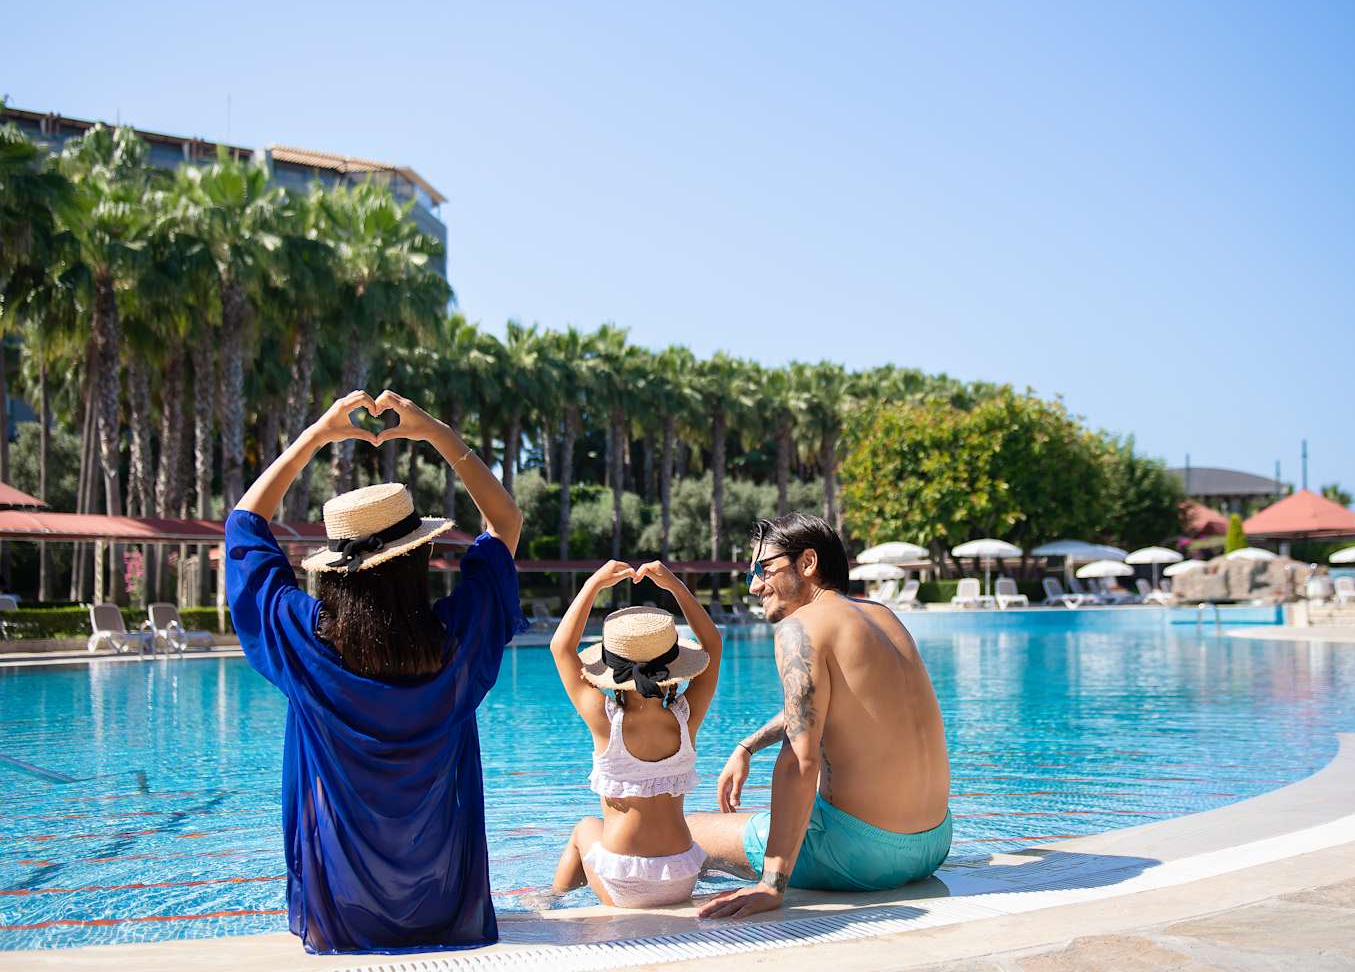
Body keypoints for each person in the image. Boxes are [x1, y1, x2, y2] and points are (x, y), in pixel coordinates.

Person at [225, 389, 523, 954]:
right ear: (421, 556)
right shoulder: (457, 639)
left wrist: (315, 436)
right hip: (444, 906)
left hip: (340, 912)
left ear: (335, 572)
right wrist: (437, 433)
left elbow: (244, 525)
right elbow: (505, 520)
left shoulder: (304, 642)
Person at [688, 513, 952, 919]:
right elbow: (822, 706)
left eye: (763, 569)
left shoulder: (800, 627)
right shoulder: (882, 616)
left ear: (807, 562)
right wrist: (748, 746)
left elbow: (800, 760)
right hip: (933, 843)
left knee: (682, 832)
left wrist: (771, 884)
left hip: (863, 855)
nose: (755, 586)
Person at [548, 559, 723, 907]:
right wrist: (674, 585)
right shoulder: (686, 718)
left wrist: (594, 584)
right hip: (681, 877)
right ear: (673, 666)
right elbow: (713, 644)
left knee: (585, 828)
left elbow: (561, 647)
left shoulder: (604, 720)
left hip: (624, 884)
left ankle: (550, 901)